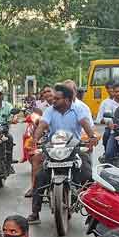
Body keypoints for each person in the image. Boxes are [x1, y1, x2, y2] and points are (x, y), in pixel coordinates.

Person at [28, 84, 98, 224]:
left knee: (87, 175)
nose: (53, 100)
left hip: (74, 148)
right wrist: (35, 139)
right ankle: (35, 213)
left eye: (57, 98)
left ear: (67, 99)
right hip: (53, 148)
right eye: (53, 98)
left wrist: (91, 137)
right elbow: (42, 125)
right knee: (40, 177)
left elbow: (85, 123)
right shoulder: (49, 111)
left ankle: (94, 213)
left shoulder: (78, 109)